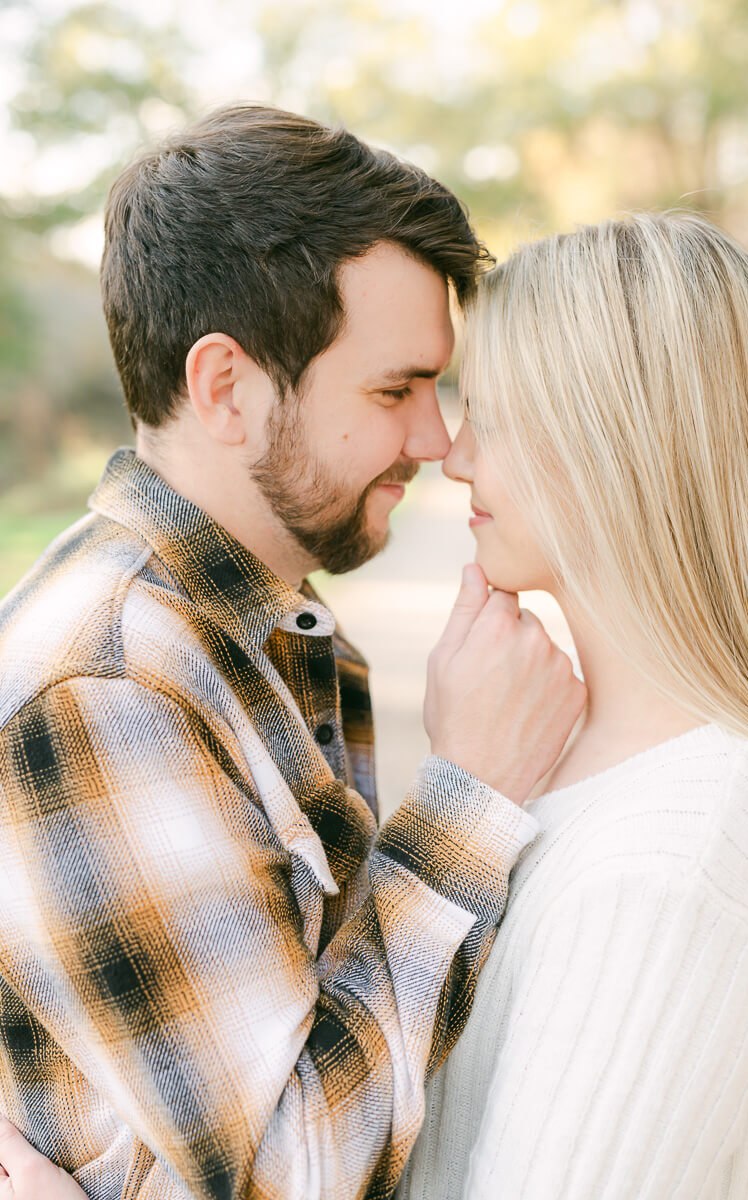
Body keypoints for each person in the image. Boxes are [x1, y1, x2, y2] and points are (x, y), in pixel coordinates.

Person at [0, 106, 586, 1200]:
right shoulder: (115, 684)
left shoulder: (266, 631)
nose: (439, 441)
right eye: (394, 389)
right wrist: (470, 800)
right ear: (226, 386)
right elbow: (296, 1179)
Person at [397, 213, 748, 1199]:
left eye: (490, 415)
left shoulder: (667, 874)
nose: (454, 457)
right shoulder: (579, 757)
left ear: (609, 438)